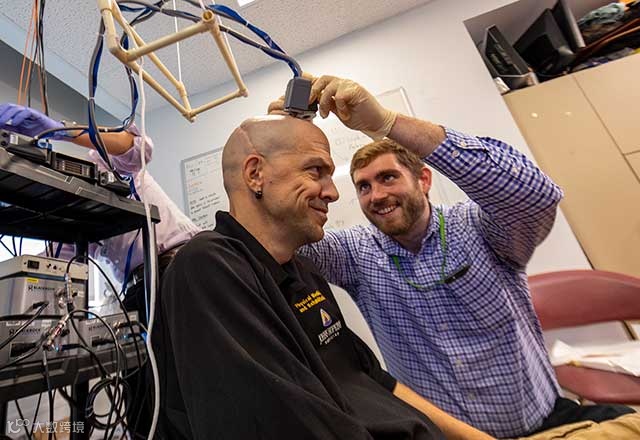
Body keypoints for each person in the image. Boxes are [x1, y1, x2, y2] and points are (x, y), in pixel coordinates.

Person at [266, 76, 636, 439]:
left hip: (546, 424)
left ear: (424, 180)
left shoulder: (480, 228)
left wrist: (386, 123)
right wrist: (279, 149)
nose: (376, 195)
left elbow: (534, 196)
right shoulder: (354, 254)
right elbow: (278, 235)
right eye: (364, 186)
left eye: (388, 177)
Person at [152, 115, 496, 439]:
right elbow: (283, 423)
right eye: (315, 171)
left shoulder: (302, 269)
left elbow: (368, 376)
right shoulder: (208, 264)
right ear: (255, 174)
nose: (332, 192)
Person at [0, 102, 200, 437]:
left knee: (189, 392)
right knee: (147, 401)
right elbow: (57, 266)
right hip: (141, 292)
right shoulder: (76, 216)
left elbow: (138, 147)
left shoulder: (110, 165)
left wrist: (56, 129)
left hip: (179, 269)